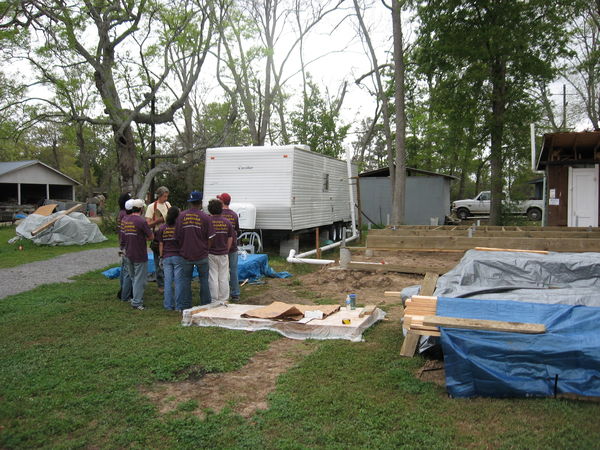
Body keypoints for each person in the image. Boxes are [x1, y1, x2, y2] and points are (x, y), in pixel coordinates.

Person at [175, 191, 215, 308]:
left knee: (186, 280)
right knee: (204, 280)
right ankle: (205, 304)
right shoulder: (206, 217)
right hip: (201, 254)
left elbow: (177, 236)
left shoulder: (181, 216)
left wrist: (183, 247)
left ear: (190, 202)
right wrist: (206, 248)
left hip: (185, 254)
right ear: (201, 202)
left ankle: (186, 305)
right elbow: (211, 237)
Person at [121, 199, 154, 310]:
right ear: (141, 209)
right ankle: (137, 302)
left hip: (128, 253)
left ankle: (135, 298)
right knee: (140, 279)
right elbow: (151, 236)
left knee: (134, 278)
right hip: (139, 254)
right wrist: (142, 237)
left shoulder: (126, 220)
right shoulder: (141, 221)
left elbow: (124, 236)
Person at [207, 199, 235, 304]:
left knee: (213, 276)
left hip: (211, 253)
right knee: (223, 276)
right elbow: (230, 237)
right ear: (221, 209)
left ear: (210, 209)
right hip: (223, 253)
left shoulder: (208, 221)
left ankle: (214, 299)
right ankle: (224, 298)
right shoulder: (227, 222)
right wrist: (227, 250)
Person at [157, 206, 185, 311]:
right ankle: (179, 305)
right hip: (178, 256)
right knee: (178, 282)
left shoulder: (162, 228)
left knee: (167, 282)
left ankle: (168, 305)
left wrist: (161, 257)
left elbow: (161, 244)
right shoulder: (180, 228)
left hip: (166, 257)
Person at [145, 186, 171, 292]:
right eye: (164, 196)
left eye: (167, 196)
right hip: (157, 235)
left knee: (169, 259)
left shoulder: (168, 204)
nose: (166, 198)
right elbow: (148, 224)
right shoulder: (151, 207)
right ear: (159, 196)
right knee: (158, 261)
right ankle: (161, 285)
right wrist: (158, 220)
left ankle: (168, 282)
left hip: (169, 234)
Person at [217, 193, 241, 302]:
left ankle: (220, 293)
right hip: (233, 247)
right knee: (233, 270)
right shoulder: (234, 215)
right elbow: (237, 230)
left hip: (220, 247)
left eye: (219, 199)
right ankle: (235, 294)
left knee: (220, 271)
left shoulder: (217, 214)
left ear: (222, 201)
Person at [117, 192, 132, 301]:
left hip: (121, 242)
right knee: (127, 270)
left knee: (123, 268)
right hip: (127, 243)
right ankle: (125, 293)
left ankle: (123, 289)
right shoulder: (125, 214)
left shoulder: (120, 213)